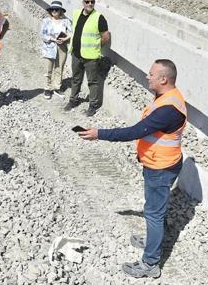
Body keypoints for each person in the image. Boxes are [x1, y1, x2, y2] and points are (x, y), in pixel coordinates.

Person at [77, 59, 186, 279]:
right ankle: (153, 241)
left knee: (154, 214)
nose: (148, 77)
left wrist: (100, 134)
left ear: (164, 79)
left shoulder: (168, 110)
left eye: (151, 74)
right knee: (155, 210)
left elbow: (134, 131)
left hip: (161, 167)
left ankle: (150, 263)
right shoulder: (169, 96)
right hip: (161, 162)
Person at [63, 0, 111, 117]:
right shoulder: (76, 13)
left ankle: (93, 106)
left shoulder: (99, 17)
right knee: (76, 79)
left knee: (93, 82)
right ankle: (73, 100)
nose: (90, 4)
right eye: (87, 1)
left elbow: (106, 36)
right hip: (76, 54)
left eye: (92, 2)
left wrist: (96, 46)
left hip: (91, 57)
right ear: (83, 2)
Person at [40, 1, 72, 100]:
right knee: (48, 69)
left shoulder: (66, 21)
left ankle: (57, 87)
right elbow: (42, 35)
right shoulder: (46, 21)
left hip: (62, 47)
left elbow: (71, 32)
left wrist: (66, 38)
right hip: (49, 47)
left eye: (56, 9)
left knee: (59, 68)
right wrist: (54, 39)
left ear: (61, 11)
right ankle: (47, 88)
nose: (54, 11)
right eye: (52, 9)